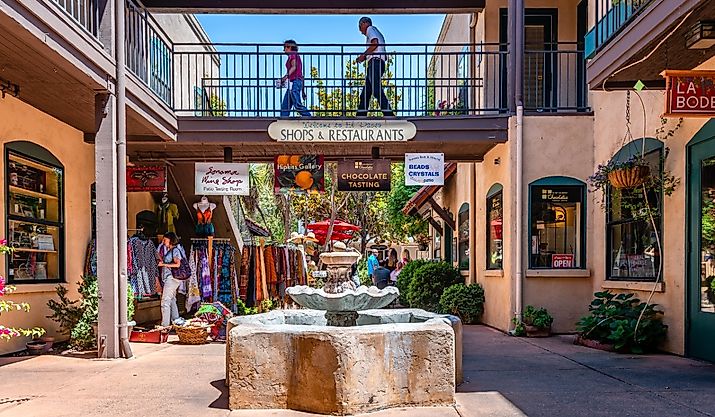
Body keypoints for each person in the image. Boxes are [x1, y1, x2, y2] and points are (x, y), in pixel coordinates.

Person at [356, 17, 395, 117]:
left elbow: (375, 44)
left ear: (364, 23)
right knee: (366, 92)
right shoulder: (378, 32)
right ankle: (361, 114)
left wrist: (363, 56)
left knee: (376, 90)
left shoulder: (371, 29)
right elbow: (383, 54)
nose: (361, 31)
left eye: (360, 27)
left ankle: (389, 113)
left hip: (375, 63)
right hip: (377, 63)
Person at [157, 232, 184, 327]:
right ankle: (176, 320)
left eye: (165, 240)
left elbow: (177, 264)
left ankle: (165, 325)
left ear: (170, 240)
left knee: (165, 301)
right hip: (172, 279)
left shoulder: (175, 250)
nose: (163, 242)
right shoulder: (171, 250)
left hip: (171, 278)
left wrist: (163, 264)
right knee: (172, 299)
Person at [280, 40, 311, 117]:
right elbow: (301, 75)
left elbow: (294, 67)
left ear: (290, 47)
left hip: (294, 82)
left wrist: (285, 77)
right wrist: (303, 90)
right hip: (293, 83)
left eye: (285, 47)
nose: (284, 49)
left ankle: (309, 117)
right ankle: (283, 119)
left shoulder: (293, 54)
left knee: (297, 104)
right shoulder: (295, 56)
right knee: (285, 105)